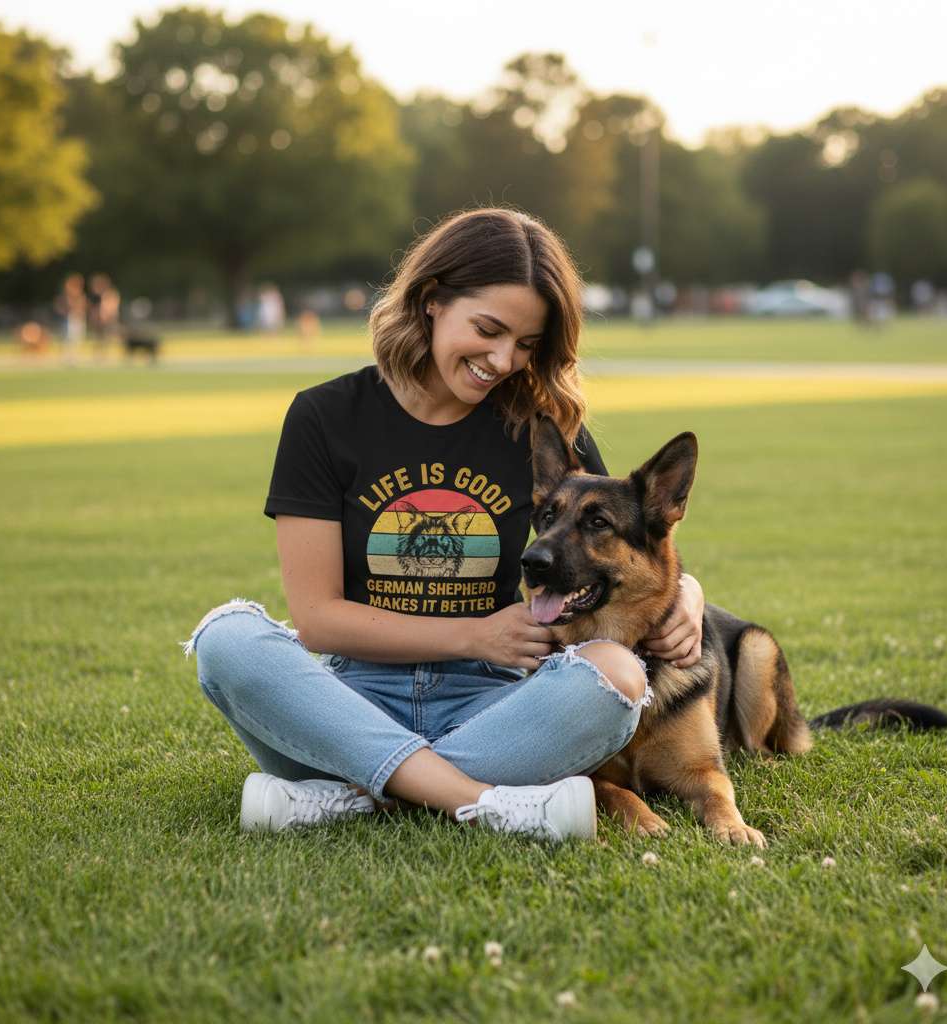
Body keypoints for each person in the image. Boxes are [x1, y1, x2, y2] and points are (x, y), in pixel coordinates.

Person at [182, 207, 705, 843]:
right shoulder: (325, 417)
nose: (502, 360)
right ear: (432, 300)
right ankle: (480, 801)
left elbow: (627, 534)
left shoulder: (538, 426)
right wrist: (473, 636)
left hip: (493, 710)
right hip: (347, 704)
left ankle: (348, 797)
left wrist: (692, 597)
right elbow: (317, 619)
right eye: (488, 329)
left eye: (526, 344)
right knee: (226, 638)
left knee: (617, 676)